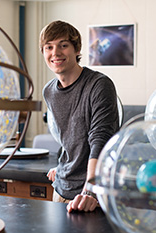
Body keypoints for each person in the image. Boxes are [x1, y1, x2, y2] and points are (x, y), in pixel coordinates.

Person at [40, 20, 119, 213]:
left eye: (63, 45)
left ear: (77, 50)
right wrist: (63, 164)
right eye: (49, 47)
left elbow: (100, 139)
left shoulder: (99, 85)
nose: (55, 53)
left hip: (93, 195)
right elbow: (69, 136)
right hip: (60, 189)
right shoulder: (48, 91)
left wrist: (90, 191)